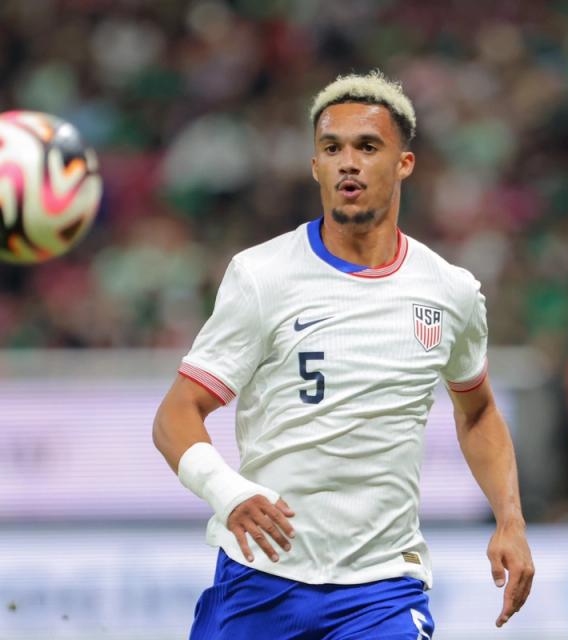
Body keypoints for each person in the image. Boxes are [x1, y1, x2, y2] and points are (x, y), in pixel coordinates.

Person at [153, 70, 534, 639]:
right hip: (261, 579)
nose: (347, 162)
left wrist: (510, 518)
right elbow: (175, 415)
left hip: (382, 588)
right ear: (315, 166)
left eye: (367, 147)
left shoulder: (449, 292)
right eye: (332, 148)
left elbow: (476, 411)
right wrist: (229, 494)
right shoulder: (262, 277)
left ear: (404, 163)